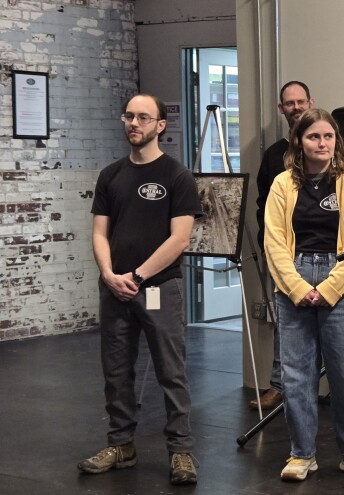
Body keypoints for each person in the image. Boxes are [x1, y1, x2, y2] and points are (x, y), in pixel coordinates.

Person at [79, 94, 203, 485]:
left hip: (157, 289)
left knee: (171, 371)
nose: (134, 123)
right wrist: (110, 274)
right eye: (129, 116)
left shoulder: (177, 176)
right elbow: (100, 233)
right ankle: (121, 446)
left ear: (160, 126)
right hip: (115, 290)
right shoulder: (110, 175)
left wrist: (137, 276)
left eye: (143, 117)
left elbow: (179, 239)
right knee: (116, 372)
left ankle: (181, 451)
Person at [264, 108, 344, 482]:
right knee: (297, 375)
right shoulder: (283, 184)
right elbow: (274, 242)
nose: (322, 143)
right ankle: (301, 454)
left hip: (340, 281)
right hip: (293, 276)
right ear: (300, 141)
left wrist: (328, 289)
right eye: (314, 137)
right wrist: (297, 287)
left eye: (328, 137)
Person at [252, 80, 315, 410]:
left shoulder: (325, 149)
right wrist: (266, 241)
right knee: (285, 320)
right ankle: (280, 385)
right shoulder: (275, 155)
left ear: (310, 102)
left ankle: (316, 385)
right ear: (281, 109)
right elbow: (262, 204)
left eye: (300, 101)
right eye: (289, 103)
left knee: (327, 321)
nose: (295, 108)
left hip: (323, 252)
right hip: (283, 252)